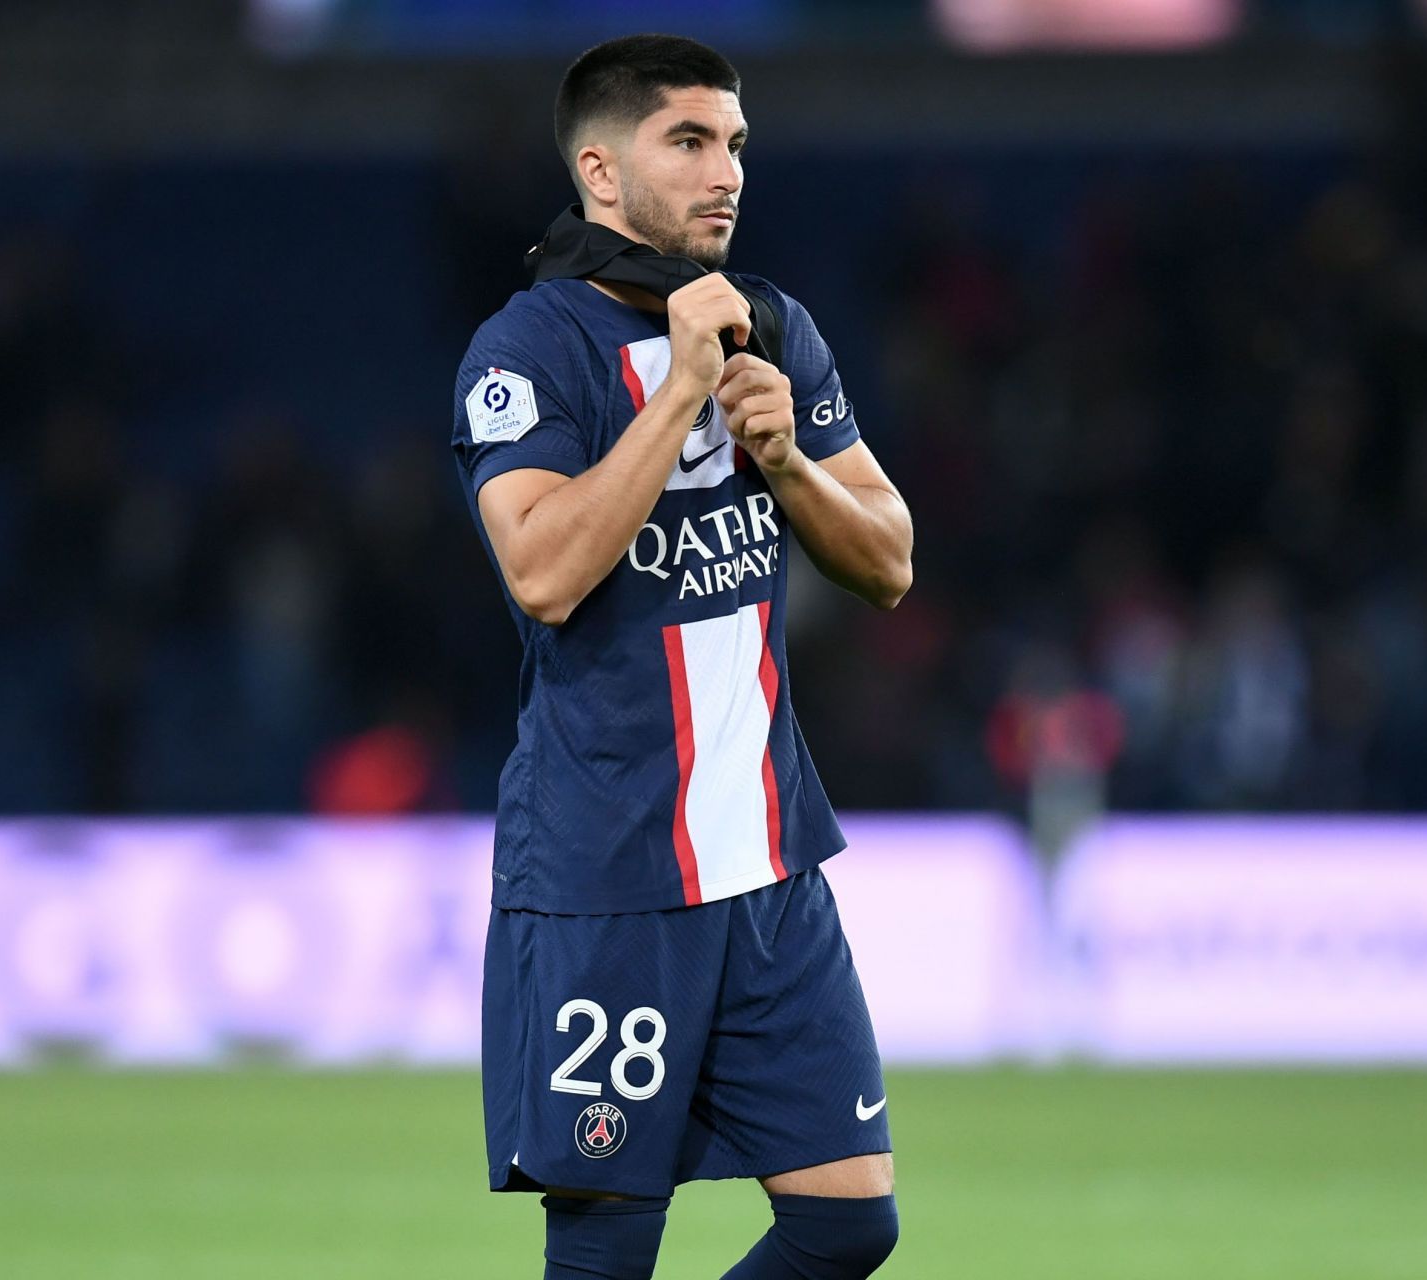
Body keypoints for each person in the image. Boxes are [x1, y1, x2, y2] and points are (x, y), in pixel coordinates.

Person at [449, 33, 915, 1280]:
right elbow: (542, 572)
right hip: (608, 874)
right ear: (602, 173)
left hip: (767, 861)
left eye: (738, 144)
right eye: (691, 142)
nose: (728, 174)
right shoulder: (525, 350)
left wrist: (787, 460)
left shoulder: (776, 328)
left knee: (847, 1220)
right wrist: (680, 393)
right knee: (605, 1254)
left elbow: (887, 561)